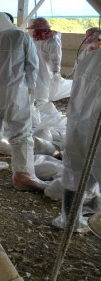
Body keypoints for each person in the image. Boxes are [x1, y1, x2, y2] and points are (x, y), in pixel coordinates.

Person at [0, 12, 47, 192]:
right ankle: (23, 174)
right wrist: (31, 87)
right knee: (21, 131)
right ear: (11, 22)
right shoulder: (21, 36)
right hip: (15, 91)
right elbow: (32, 65)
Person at [51, 49, 101, 233]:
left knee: (75, 173)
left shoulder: (90, 58)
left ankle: (70, 219)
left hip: (80, 123)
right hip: (92, 124)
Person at [27, 17, 64, 104]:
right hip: (34, 66)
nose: (34, 31)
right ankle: (35, 105)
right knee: (34, 89)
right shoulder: (35, 38)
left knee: (44, 90)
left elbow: (56, 57)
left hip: (46, 69)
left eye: (37, 29)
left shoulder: (52, 40)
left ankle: (43, 106)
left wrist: (56, 71)